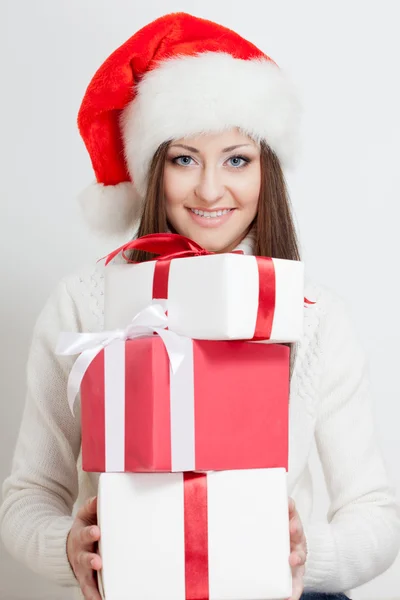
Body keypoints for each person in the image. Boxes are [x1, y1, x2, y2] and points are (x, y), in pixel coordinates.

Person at [1, 11, 399, 600]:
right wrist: (69, 546)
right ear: (152, 170)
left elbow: (376, 515)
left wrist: (306, 554)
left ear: (268, 170)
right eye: (184, 159)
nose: (211, 190)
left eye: (237, 159)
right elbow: (28, 496)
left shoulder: (312, 312)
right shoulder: (87, 303)